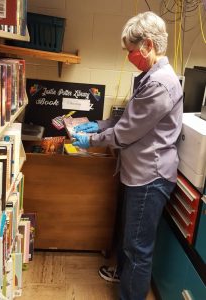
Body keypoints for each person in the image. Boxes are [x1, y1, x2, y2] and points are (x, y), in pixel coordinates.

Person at [72, 11, 183, 300]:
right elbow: (127, 120)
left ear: (147, 45)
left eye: (131, 51)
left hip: (150, 176)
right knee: (130, 239)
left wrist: (92, 139)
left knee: (138, 248)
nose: (129, 57)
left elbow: (125, 133)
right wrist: (100, 123)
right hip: (139, 172)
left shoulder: (160, 85)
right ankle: (123, 275)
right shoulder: (150, 77)